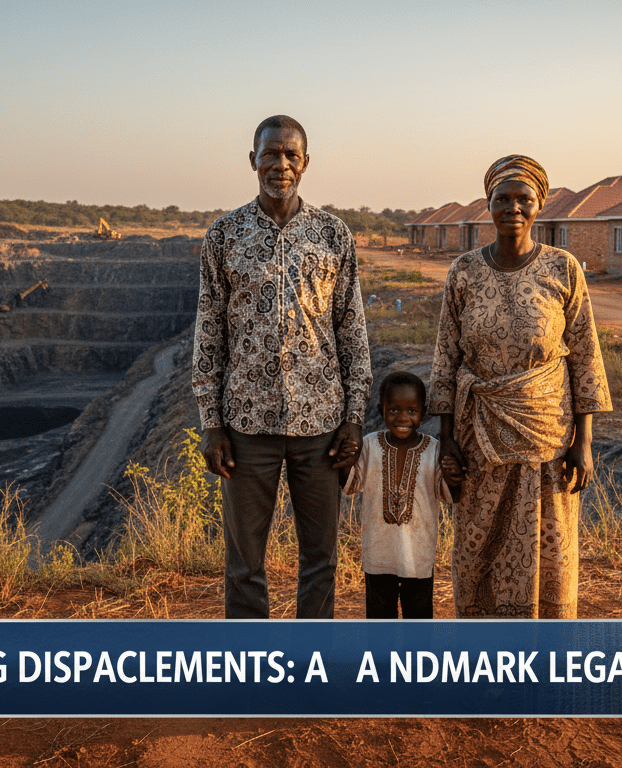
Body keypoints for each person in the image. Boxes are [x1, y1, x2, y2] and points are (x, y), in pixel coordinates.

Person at [192, 115, 372, 619]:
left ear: (306, 163)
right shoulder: (224, 235)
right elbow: (209, 335)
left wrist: (354, 419)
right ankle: (251, 669)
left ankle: (310, 668)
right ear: (253, 160)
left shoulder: (334, 235)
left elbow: (352, 331)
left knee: (321, 558)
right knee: (244, 562)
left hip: (321, 425)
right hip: (246, 426)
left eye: (291, 155)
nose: (281, 164)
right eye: (271, 154)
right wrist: (212, 424)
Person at [428, 155, 612, 619]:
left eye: (523, 199)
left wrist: (584, 441)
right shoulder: (464, 271)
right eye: (502, 198)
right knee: (478, 544)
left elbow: (585, 353)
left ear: (539, 205)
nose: (513, 207)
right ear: (487, 204)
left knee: (548, 543)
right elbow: (446, 355)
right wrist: (447, 439)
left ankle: (544, 655)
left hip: (548, 436)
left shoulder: (563, 268)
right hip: (479, 436)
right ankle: (485, 657)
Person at [341, 371, 462, 619]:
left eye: (411, 410)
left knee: (418, 619)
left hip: (418, 557)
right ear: (381, 409)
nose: (402, 418)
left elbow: (451, 495)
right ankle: (381, 659)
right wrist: (346, 457)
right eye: (394, 410)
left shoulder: (434, 449)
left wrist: (453, 474)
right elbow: (350, 484)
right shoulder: (370, 445)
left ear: (423, 411)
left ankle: (416, 659)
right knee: (378, 619)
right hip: (378, 556)